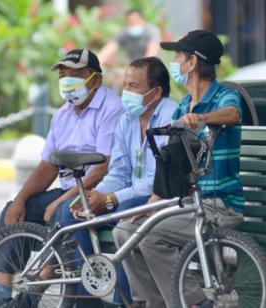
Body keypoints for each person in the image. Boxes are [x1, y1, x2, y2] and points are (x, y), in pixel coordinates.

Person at [0, 49, 123, 308]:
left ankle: (31, 296)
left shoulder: (111, 109)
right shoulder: (63, 114)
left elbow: (103, 167)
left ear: (95, 79)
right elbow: (47, 166)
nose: (68, 81)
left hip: (99, 193)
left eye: (76, 75)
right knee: (13, 211)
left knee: (62, 213)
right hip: (69, 190)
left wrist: (62, 200)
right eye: (64, 75)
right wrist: (20, 199)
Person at [112, 30, 245, 308]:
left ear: (192, 63)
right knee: (124, 231)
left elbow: (234, 115)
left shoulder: (224, 95)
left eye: (178, 57)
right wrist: (153, 203)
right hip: (189, 203)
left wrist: (202, 119)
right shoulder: (183, 105)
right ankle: (156, 302)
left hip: (218, 204)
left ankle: (193, 302)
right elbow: (170, 161)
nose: (175, 63)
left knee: (151, 238)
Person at [58, 56, 176, 306]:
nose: (126, 92)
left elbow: (158, 179)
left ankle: (123, 300)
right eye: (125, 85)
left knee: (124, 214)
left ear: (156, 92)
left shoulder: (171, 115)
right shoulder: (128, 120)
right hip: (132, 192)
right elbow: (119, 171)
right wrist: (96, 196)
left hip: (161, 195)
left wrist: (110, 199)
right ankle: (89, 298)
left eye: (133, 86)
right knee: (73, 212)